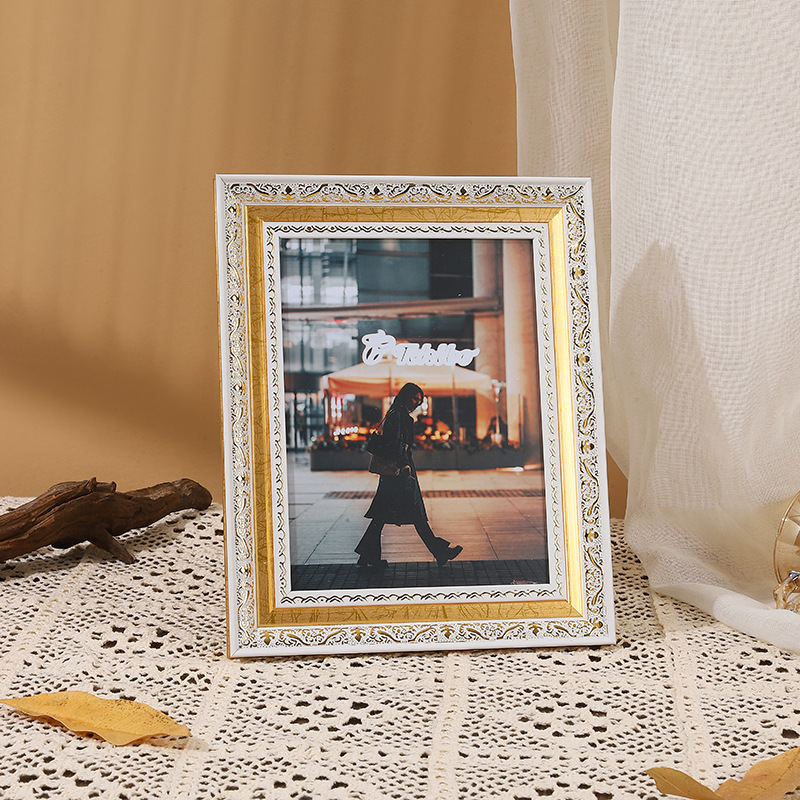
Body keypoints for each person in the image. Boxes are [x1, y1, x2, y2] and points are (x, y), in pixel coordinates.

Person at [355, 382, 463, 570]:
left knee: (384, 515)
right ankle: (439, 552)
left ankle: (367, 554)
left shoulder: (394, 414)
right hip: (400, 471)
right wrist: (403, 465)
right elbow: (397, 444)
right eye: (414, 398)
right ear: (405, 396)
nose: (416, 403)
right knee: (414, 513)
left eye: (419, 400)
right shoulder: (399, 416)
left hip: (395, 471)